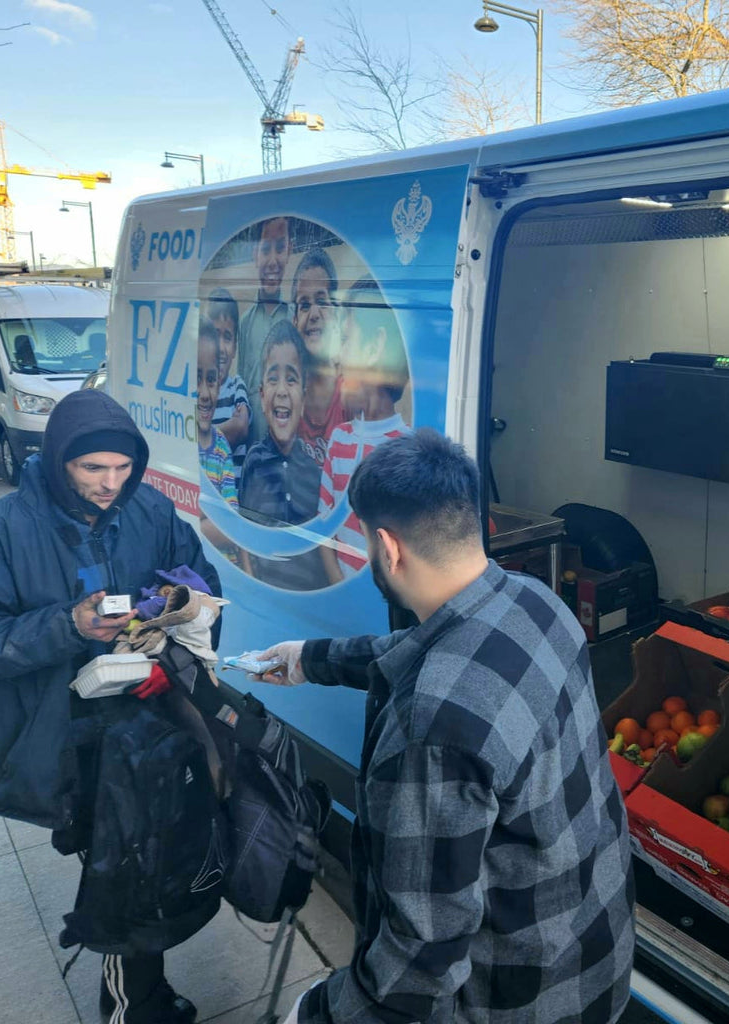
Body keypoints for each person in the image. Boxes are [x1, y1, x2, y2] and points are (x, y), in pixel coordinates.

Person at [259, 429, 635, 1024]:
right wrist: (310, 658)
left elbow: (420, 955)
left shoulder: (432, 728)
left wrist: (316, 1014)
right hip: (597, 963)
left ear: (387, 546)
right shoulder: (537, 603)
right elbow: (413, 647)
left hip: (520, 1002)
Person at [0, 389, 221, 1024]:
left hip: (150, 716)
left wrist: (172, 607)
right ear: (59, 460)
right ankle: (132, 1004)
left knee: (150, 854)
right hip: (68, 736)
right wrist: (68, 626)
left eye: (122, 468)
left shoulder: (153, 511)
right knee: (120, 870)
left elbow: (200, 581)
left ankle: (144, 991)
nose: (110, 484)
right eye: (93, 469)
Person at [317, 279, 412, 584]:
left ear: (375, 348)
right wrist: (340, 589)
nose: (336, 357)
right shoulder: (339, 439)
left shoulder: (407, 448)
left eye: (345, 339)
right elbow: (324, 529)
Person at [239, 319, 321, 526]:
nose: (282, 391)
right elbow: (246, 531)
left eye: (291, 379)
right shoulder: (254, 461)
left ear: (303, 398)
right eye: (273, 379)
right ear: (262, 396)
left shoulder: (313, 470)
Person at [239, 217, 291, 443]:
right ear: (254, 255)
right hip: (253, 447)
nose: (272, 261)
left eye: (280, 248)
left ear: (289, 251)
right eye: (265, 250)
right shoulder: (244, 323)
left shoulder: (295, 318)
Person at [290, 247, 344, 465]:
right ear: (295, 321)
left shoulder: (352, 397)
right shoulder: (286, 396)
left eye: (322, 302)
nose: (313, 314)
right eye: (304, 305)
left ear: (337, 314)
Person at [206, 287, 250, 483]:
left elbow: (240, 428)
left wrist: (200, 437)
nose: (221, 348)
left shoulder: (237, 387)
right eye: (214, 335)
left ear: (235, 349)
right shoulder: (194, 392)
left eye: (227, 337)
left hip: (232, 497)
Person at [197, 318, 239, 508]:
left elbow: (231, 513)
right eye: (196, 380)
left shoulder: (221, 445)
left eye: (211, 380)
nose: (205, 394)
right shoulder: (177, 442)